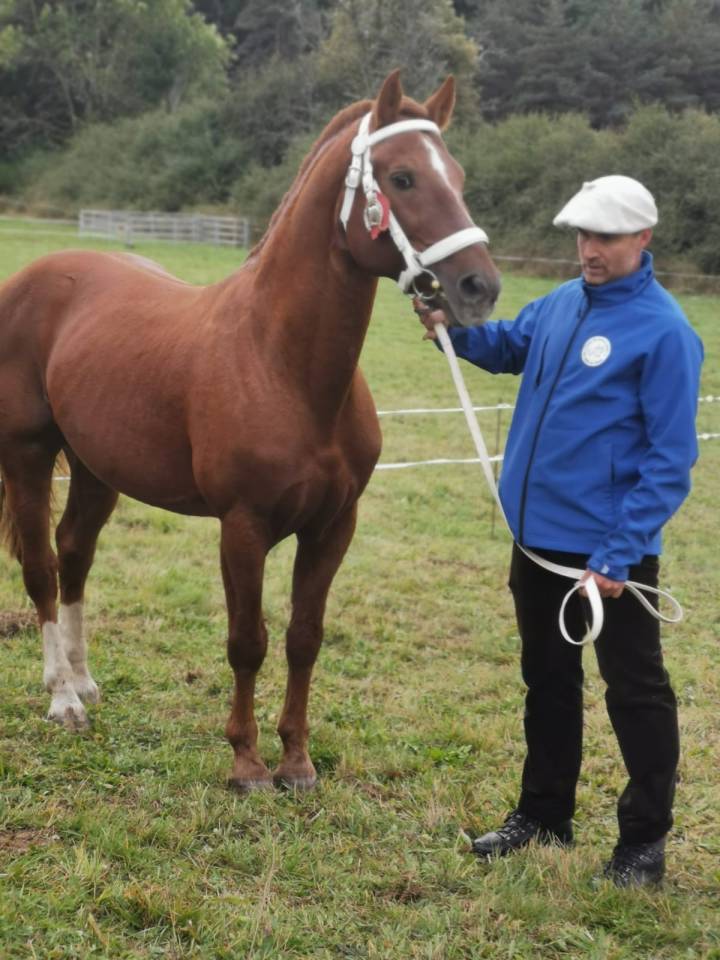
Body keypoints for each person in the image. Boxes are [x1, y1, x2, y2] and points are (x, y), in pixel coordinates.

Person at [416, 175, 704, 888]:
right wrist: (451, 330)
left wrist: (615, 556)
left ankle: (643, 843)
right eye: (582, 235)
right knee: (547, 681)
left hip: (608, 558)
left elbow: (671, 463)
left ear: (642, 239)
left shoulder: (666, 332)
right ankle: (544, 813)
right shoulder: (563, 303)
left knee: (636, 693)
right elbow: (508, 345)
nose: (589, 249)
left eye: (604, 237)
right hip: (535, 542)